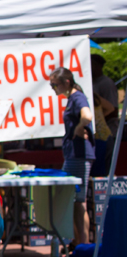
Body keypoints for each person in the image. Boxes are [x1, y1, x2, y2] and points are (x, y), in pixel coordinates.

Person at [49, 67, 94, 245]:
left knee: (78, 200)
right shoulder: (72, 98)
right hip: (74, 155)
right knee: (73, 200)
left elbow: (88, 116)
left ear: (66, 82)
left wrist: (79, 126)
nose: (53, 88)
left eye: (55, 85)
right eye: (51, 85)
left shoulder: (77, 97)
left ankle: (83, 244)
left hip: (79, 156)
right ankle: (78, 243)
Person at [90, 54, 118, 178]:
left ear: (98, 66)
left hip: (106, 134)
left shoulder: (106, 83)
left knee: (103, 172)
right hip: (97, 135)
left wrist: (98, 120)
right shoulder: (93, 82)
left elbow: (113, 109)